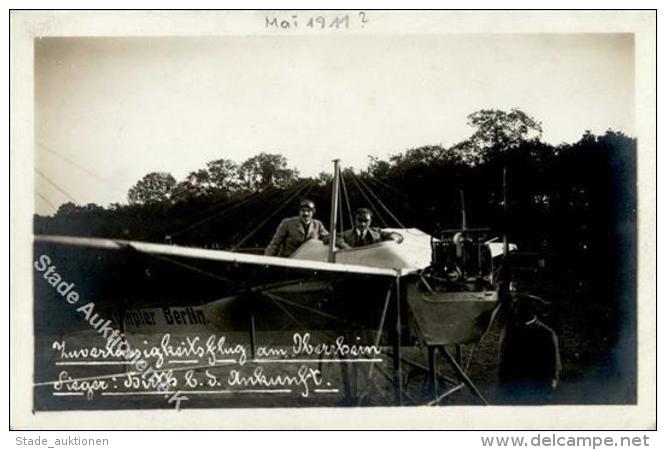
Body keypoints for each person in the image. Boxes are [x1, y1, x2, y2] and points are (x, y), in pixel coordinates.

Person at [497, 287, 561, 405]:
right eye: (515, 303)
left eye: (522, 305)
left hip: (535, 393)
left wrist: (545, 395)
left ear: (533, 308)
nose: (516, 308)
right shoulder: (510, 330)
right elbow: (503, 365)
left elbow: (553, 371)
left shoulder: (546, 334)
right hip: (511, 393)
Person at [264, 199, 330, 257]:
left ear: (313, 212)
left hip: (308, 263)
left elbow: (327, 237)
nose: (306, 213)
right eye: (303, 210)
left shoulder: (317, 224)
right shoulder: (287, 223)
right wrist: (267, 260)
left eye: (309, 211)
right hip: (288, 261)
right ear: (299, 212)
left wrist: (337, 239)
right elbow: (275, 244)